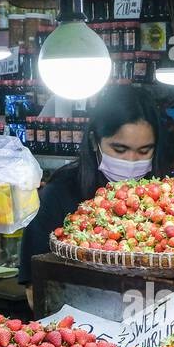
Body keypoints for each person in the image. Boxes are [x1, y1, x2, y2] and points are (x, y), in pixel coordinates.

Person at [18, 85, 165, 308]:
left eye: (144, 151)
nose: (132, 160)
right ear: (95, 140)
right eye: (119, 149)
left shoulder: (165, 196)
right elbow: (34, 287)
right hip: (80, 326)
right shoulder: (59, 194)